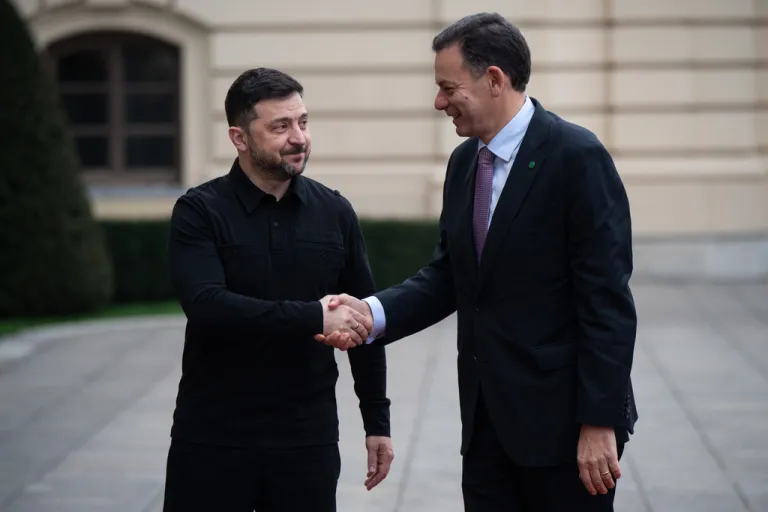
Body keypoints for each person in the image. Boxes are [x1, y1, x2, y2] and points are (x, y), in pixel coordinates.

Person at [317, 12, 638, 512]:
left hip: (566, 430)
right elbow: (449, 276)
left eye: (448, 87)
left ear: (494, 80)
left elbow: (607, 303)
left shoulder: (577, 157)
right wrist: (369, 315)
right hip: (487, 427)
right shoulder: (465, 162)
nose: (439, 102)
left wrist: (599, 422)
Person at [163, 67, 394, 512]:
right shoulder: (199, 211)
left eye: (303, 122)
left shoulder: (335, 211)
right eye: (280, 126)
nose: (299, 138)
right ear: (239, 137)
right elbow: (207, 305)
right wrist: (314, 317)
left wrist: (376, 422)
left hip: (306, 439)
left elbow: (364, 320)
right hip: (212, 437)